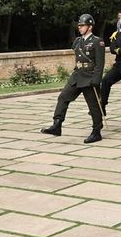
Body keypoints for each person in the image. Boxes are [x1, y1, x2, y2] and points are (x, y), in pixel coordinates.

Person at [40, 14, 105, 143]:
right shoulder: (78, 41)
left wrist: (97, 79)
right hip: (77, 75)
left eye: (82, 25)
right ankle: (57, 125)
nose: (79, 27)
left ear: (90, 27)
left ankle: (96, 131)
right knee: (63, 97)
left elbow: (100, 63)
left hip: (89, 76)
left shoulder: (97, 42)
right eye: (79, 25)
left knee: (93, 106)